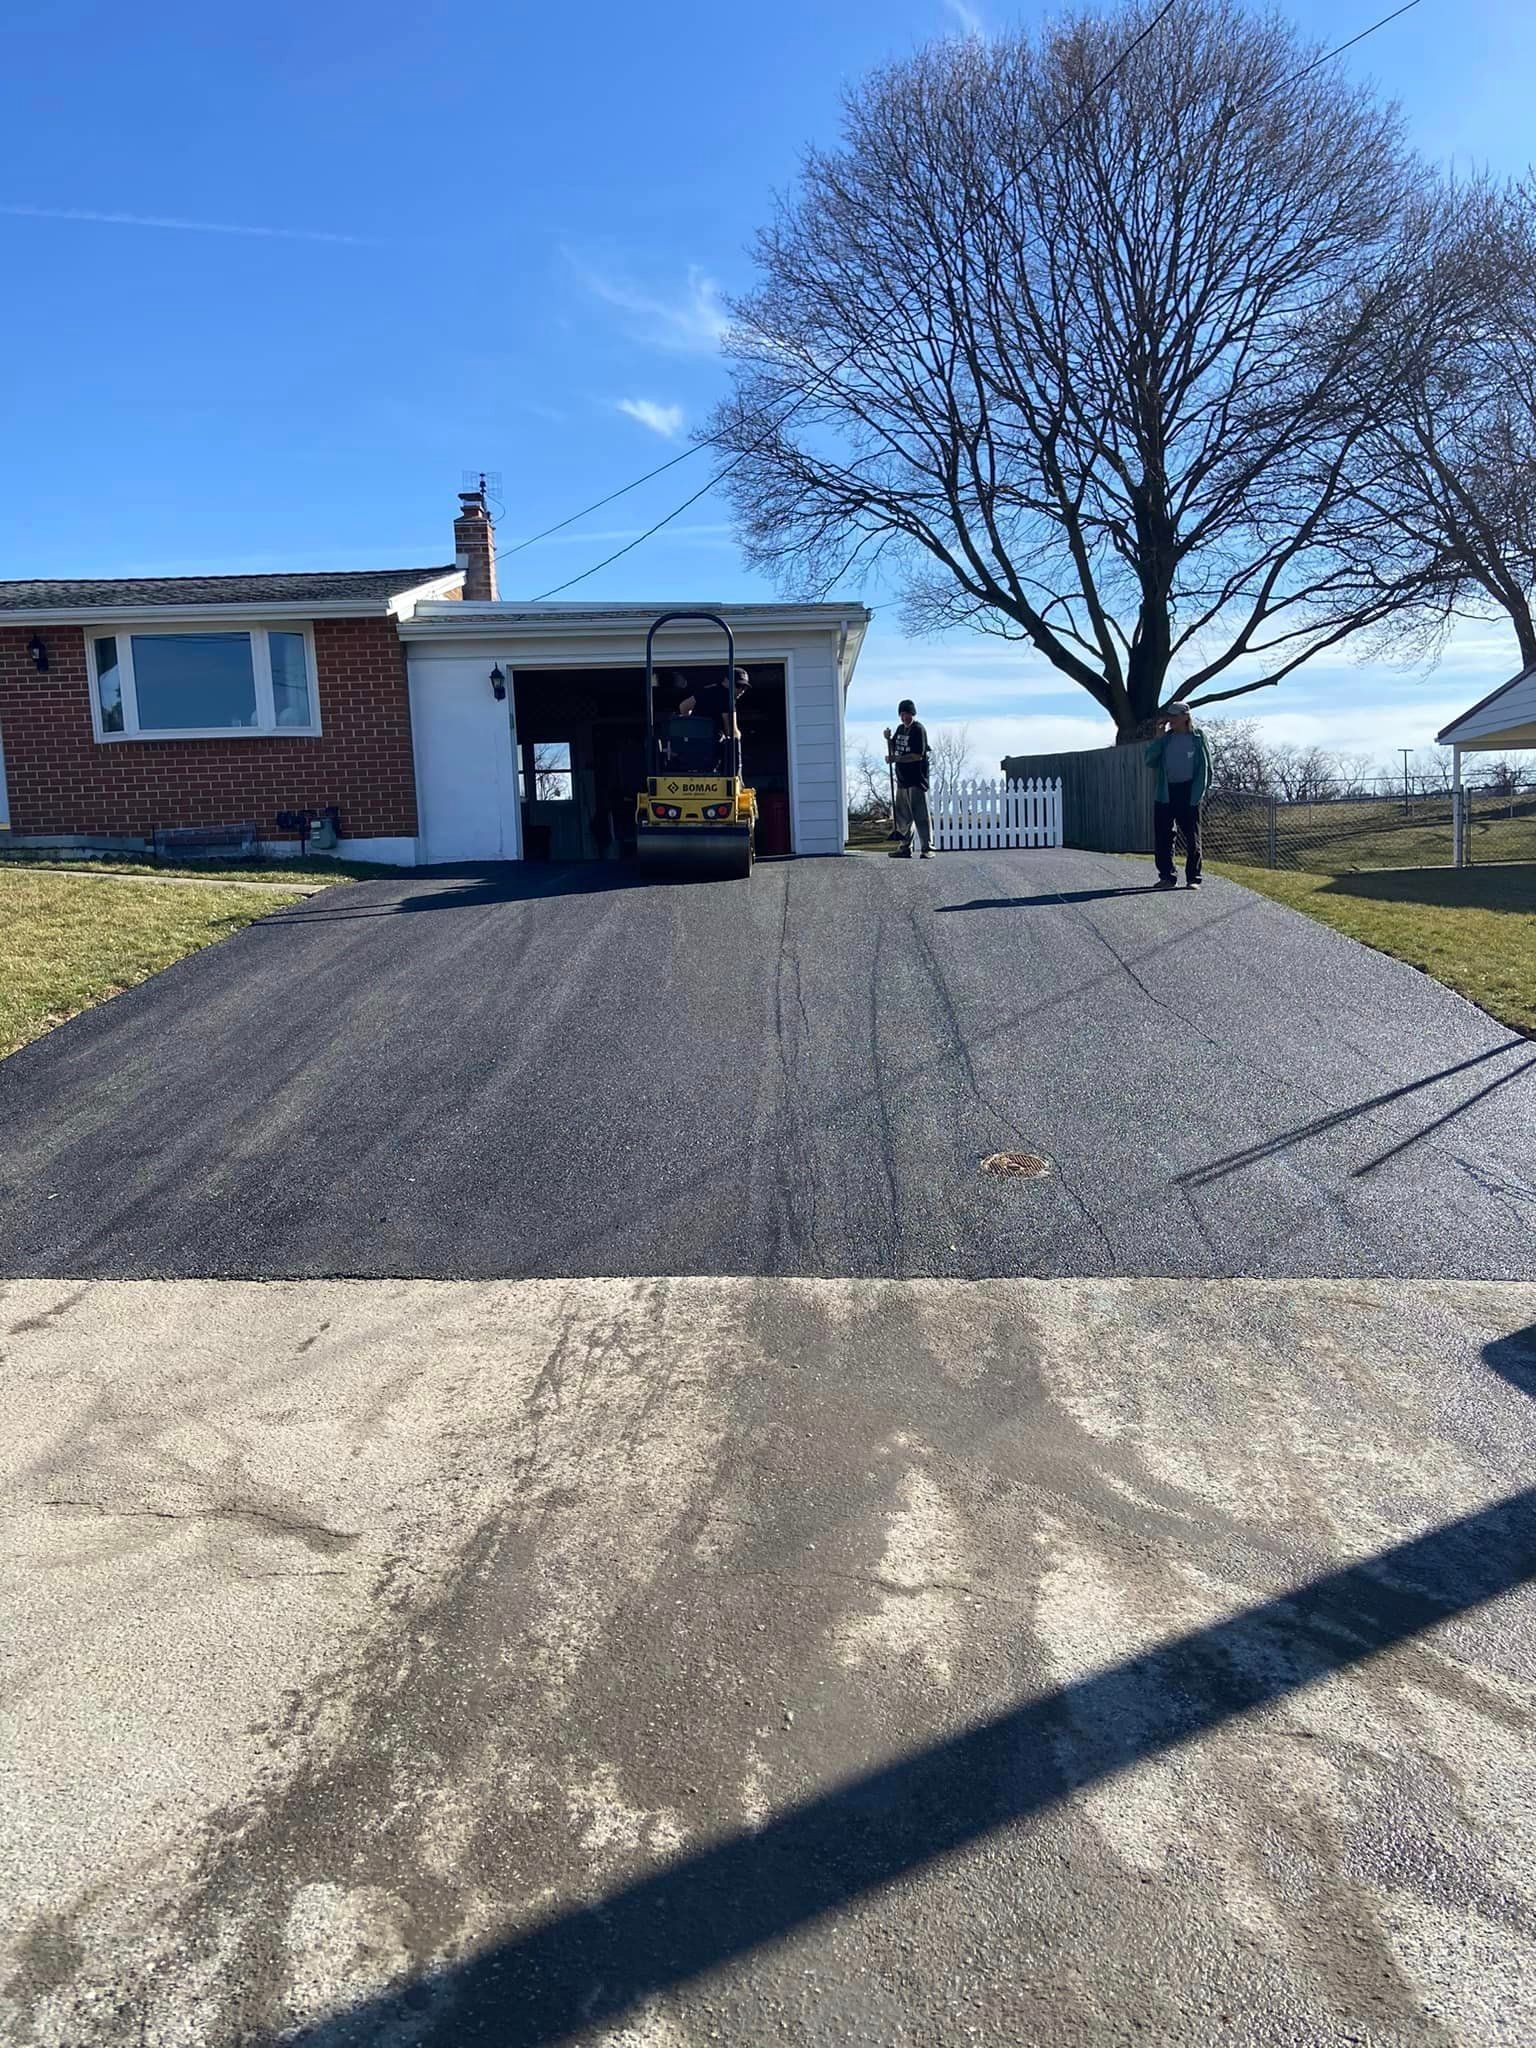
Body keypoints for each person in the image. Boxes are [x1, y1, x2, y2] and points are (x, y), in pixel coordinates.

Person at [1144, 703, 1211, 890]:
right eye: (1169, 716)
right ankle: (1167, 877)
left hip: (1189, 793)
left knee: (1192, 838)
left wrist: (1199, 792)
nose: (1170, 719)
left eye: (1174, 716)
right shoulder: (1165, 740)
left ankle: (1193, 878)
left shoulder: (1198, 738)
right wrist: (1158, 739)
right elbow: (1149, 760)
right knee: (1163, 836)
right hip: (1165, 793)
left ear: (1185, 716)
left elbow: (1207, 767)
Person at [884, 699, 932, 858]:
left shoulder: (918, 729)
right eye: (902, 714)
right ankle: (905, 847)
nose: (905, 717)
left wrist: (896, 759)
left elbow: (917, 755)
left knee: (921, 816)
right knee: (903, 817)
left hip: (916, 780)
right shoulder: (900, 729)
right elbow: (896, 748)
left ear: (913, 714)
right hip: (902, 780)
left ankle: (927, 848)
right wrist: (888, 740)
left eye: (907, 714)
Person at [678, 668, 750, 773]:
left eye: (744, 687)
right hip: (713, 752)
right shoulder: (727, 699)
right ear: (726, 681)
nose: (741, 691)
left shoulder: (706, 690)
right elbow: (731, 731)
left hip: (692, 749)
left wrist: (692, 725)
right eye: (738, 686)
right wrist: (739, 736)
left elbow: (683, 707)